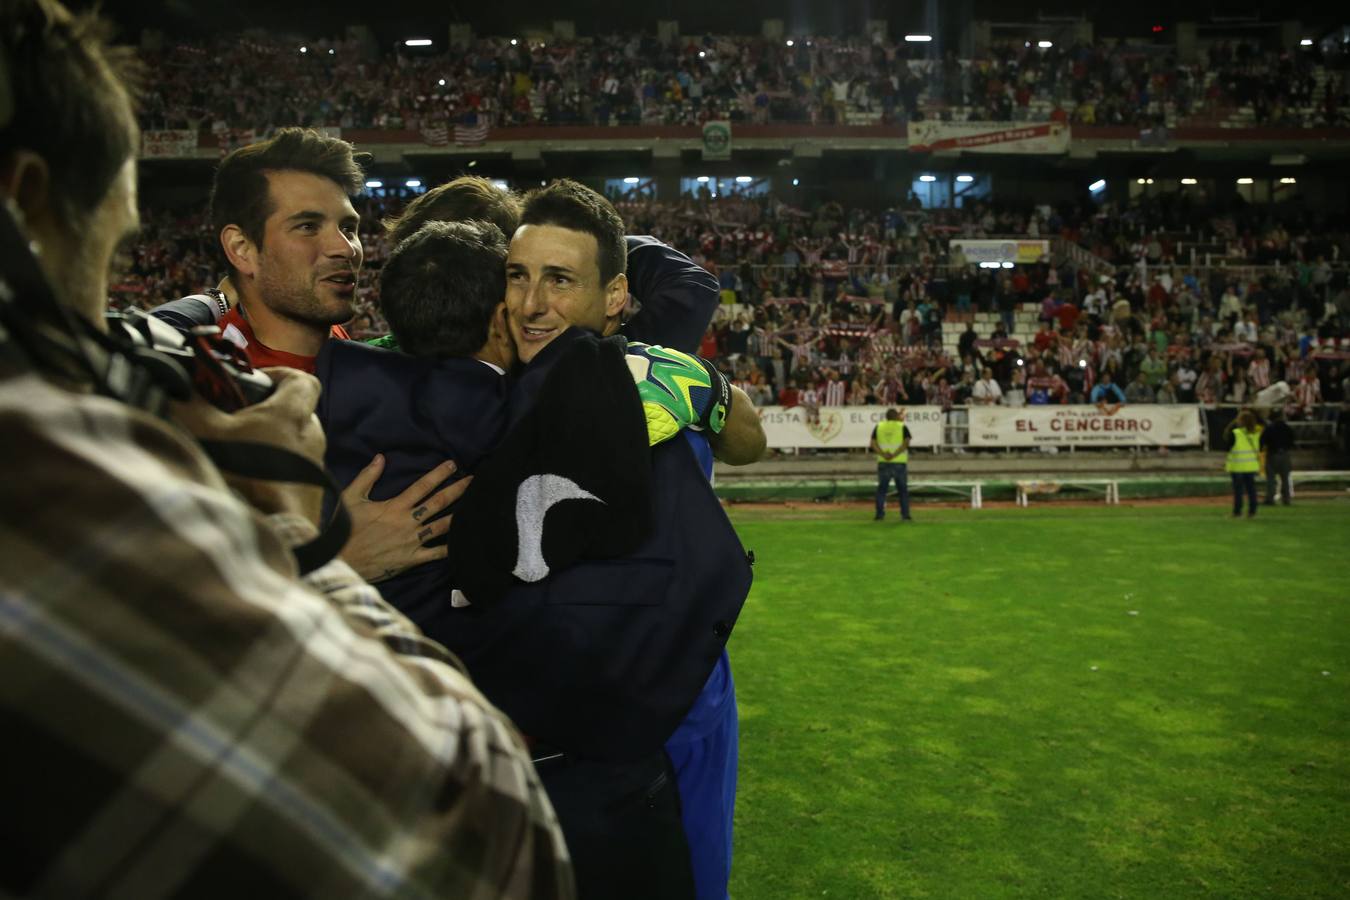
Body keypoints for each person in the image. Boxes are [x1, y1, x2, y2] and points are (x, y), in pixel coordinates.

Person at [0, 3, 572, 897]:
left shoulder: (413, 383)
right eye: (309, 227)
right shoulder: (145, 400)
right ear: (239, 248)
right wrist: (330, 555)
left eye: (348, 225)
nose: (344, 247)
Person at [870, 408, 912, 521]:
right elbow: (906, 442)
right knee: (902, 490)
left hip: (883, 462)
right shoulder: (902, 426)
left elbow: (872, 444)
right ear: (896, 416)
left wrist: (883, 454)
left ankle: (879, 515)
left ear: (887, 417)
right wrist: (895, 454)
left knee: (882, 490)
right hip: (899, 462)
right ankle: (905, 515)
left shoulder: (879, 426)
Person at [1223, 409, 1262, 518]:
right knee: (1251, 490)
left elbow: (1227, 445)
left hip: (1238, 466)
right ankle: (1252, 511)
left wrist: (1232, 425)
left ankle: (1237, 511)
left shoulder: (1236, 433)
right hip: (1251, 466)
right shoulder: (1255, 433)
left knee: (1238, 491)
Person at [1260, 408, 1295, 505]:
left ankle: (1270, 499)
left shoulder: (1269, 428)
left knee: (1271, 478)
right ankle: (1286, 499)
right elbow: (1292, 440)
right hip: (1285, 454)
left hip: (1272, 454)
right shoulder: (1287, 428)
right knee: (1285, 478)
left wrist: (1262, 449)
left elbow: (1262, 440)